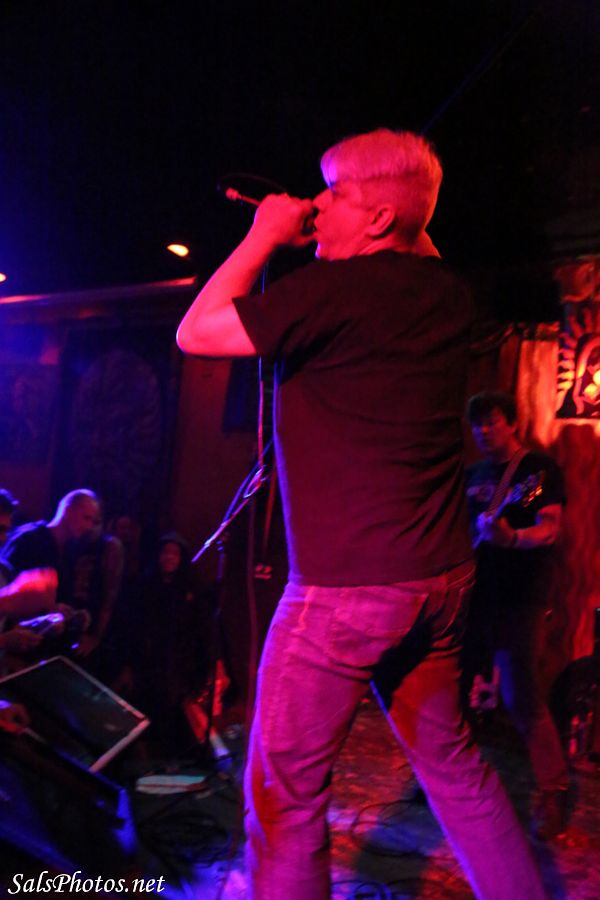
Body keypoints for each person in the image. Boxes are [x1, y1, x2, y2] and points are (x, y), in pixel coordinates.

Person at [177, 128, 546, 899]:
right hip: (439, 582)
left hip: (344, 595)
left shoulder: (330, 293)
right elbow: (417, 231)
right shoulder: (447, 294)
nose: (315, 205)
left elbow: (197, 331)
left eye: (333, 193)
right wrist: (385, 204)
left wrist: (264, 234)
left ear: (379, 219)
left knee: (285, 798)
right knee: (456, 770)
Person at [465, 390, 569, 839]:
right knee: (454, 688)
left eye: (492, 421)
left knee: (519, 693)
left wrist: (512, 539)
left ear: (512, 423)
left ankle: (553, 789)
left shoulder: (536, 471)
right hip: (473, 596)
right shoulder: (472, 474)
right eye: (477, 424)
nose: (484, 430)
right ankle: (454, 781)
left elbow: (550, 528)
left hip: (521, 597)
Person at [0, 489, 100, 603]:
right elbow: (6, 586)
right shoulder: (29, 538)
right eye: (86, 518)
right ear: (68, 511)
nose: (89, 526)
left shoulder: (71, 551)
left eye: (93, 521)